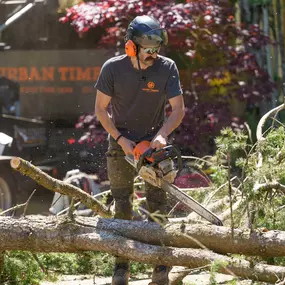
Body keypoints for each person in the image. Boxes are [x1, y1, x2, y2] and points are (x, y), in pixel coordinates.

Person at [94, 15, 185, 285]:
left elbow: (178, 109)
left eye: (157, 49)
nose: (153, 55)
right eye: (148, 50)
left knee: (157, 205)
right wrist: (120, 139)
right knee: (122, 205)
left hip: (153, 144)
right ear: (131, 46)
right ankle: (121, 267)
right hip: (121, 143)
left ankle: (161, 267)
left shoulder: (167, 67)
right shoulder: (112, 68)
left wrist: (162, 135)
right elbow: (100, 109)